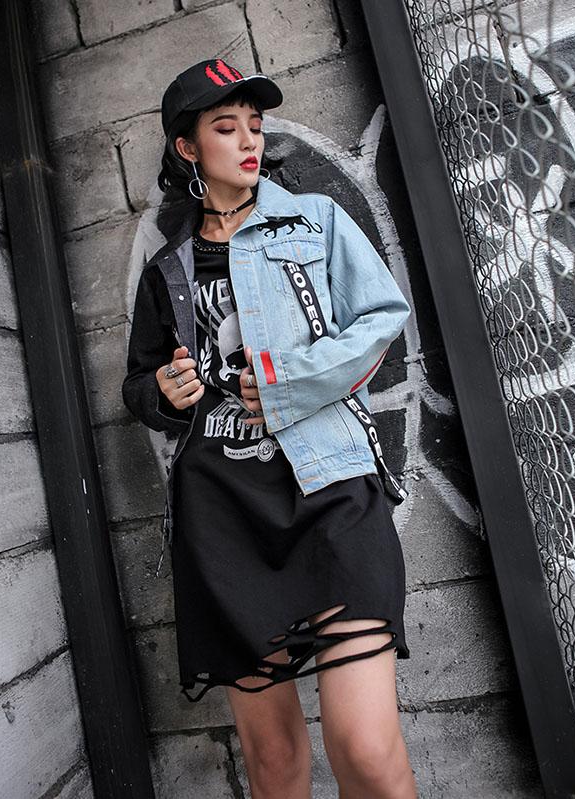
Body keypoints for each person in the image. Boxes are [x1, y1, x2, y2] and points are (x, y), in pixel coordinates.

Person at [122, 58, 417, 799]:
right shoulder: (167, 270)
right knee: (275, 764)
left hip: (330, 490)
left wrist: (288, 382)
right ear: (188, 147)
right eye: (226, 128)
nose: (249, 140)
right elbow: (140, 385)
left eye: (254, 125)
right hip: (222, 514)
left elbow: (382, 316)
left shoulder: (314, 220)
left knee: (367, 751)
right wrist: (162, 391)